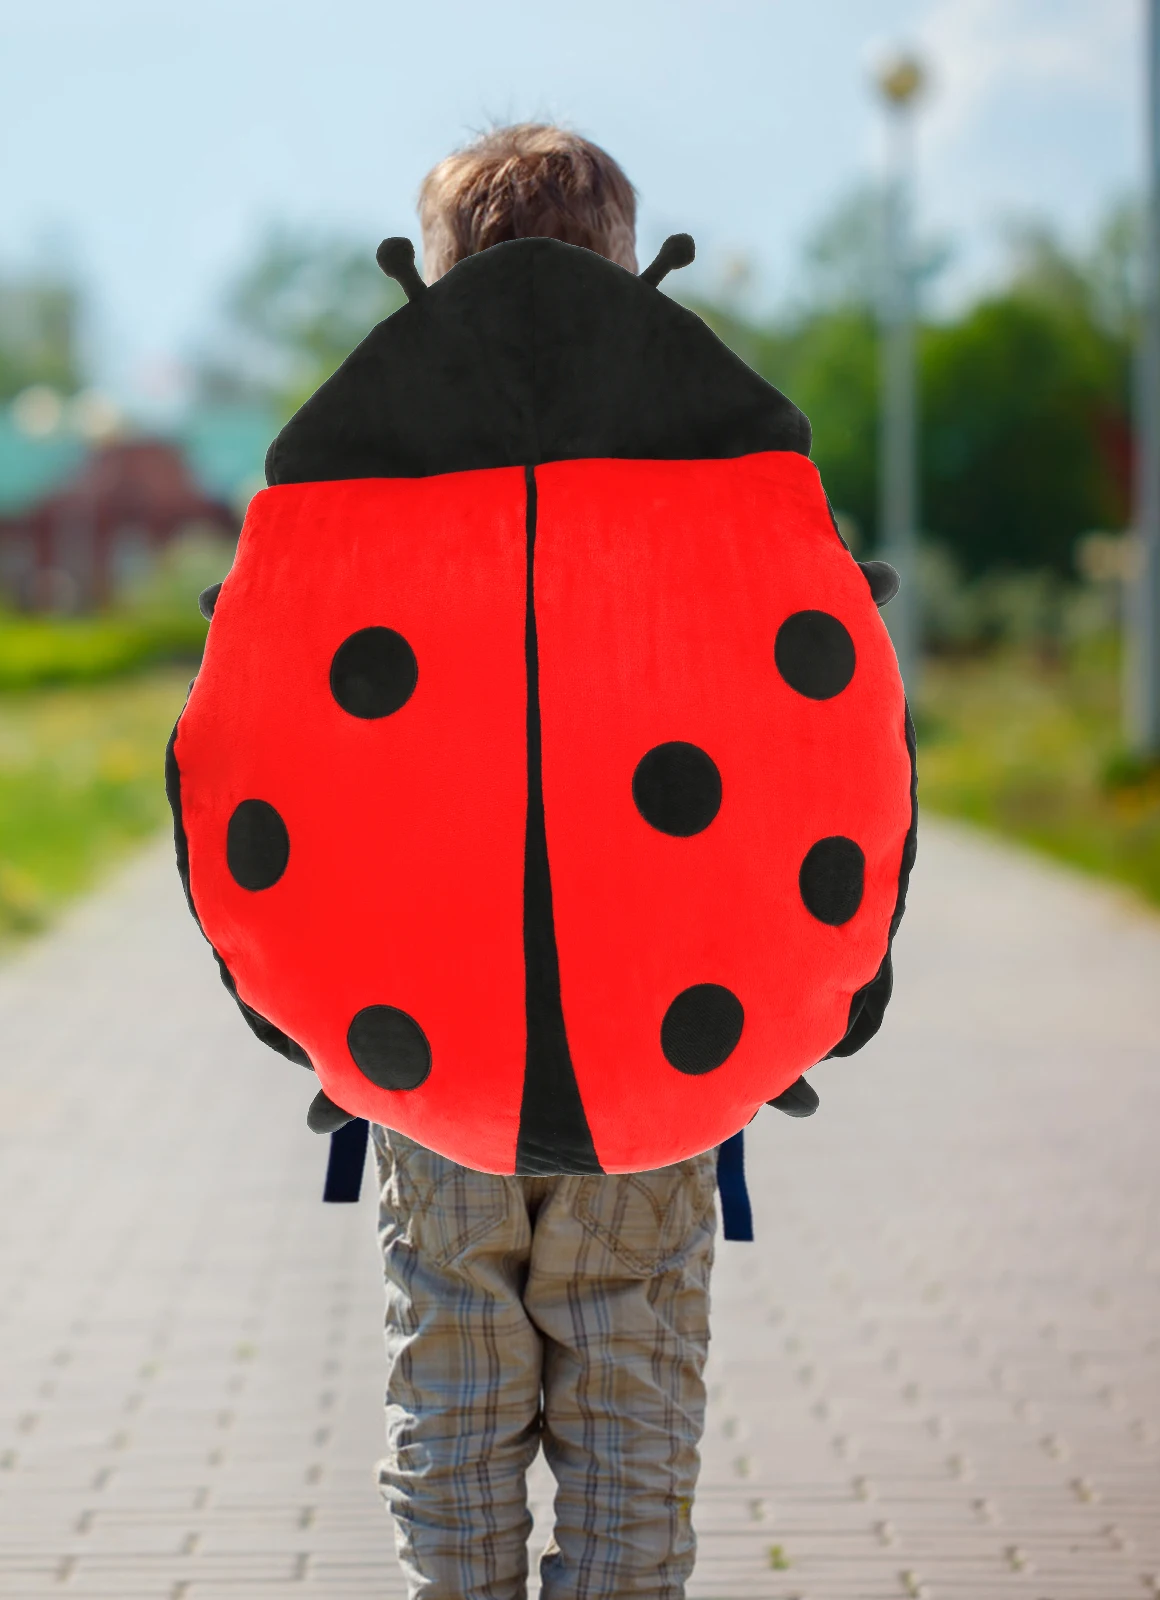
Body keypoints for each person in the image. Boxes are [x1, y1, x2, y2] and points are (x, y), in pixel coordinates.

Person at [372, 123, 720, 1600]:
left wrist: (301, 1000)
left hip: (430, 1027)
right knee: (631, 1390)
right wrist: (828, 981)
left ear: (434, 284)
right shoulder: (707, 479)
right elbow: (822, 744)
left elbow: (265, 753)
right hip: (663, 1025)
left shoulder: (375, 476)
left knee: (453, 1393)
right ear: (632, 278)